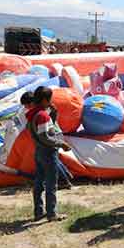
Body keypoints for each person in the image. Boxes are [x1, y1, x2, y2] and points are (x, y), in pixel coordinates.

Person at [26, 87, 72, 222]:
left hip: (39, 151)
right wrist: (60, 143)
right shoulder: (42, 115)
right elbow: (45, 136)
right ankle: (52, 213)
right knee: (51, 183)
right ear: (45, 100)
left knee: (39, 182)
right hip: (48, 152)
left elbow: (44, 130)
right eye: (50, 99)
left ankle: (38, 211)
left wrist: (53, 113)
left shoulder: (33, 113)